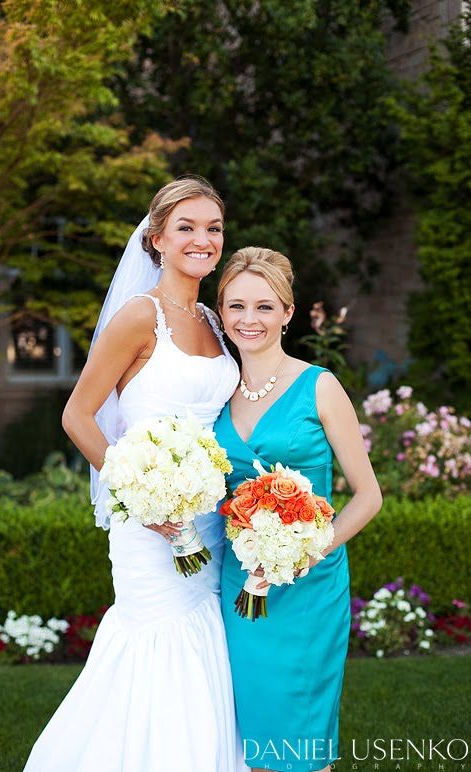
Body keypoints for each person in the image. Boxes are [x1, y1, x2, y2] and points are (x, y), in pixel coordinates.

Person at [24, 177, 247, 772]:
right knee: (158, 645)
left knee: (209, 648)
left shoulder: (213, 318)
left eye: (213, 228)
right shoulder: (138, 316)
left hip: (210, 514)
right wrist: (141, 493)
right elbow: (77, 415)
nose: (203, 239)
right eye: (187, 227)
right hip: (148, 521)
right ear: (156, 239)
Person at [214, 247, 383, 772]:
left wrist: (306, 552)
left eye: (265, 307)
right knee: (253, 739)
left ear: (288, 313)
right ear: (220, 311)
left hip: (308, 584)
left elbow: (368, 495)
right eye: (236, 306)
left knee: (301, 744)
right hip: (239, 584)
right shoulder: (216, 393)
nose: (249, 319)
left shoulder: (320, 386)